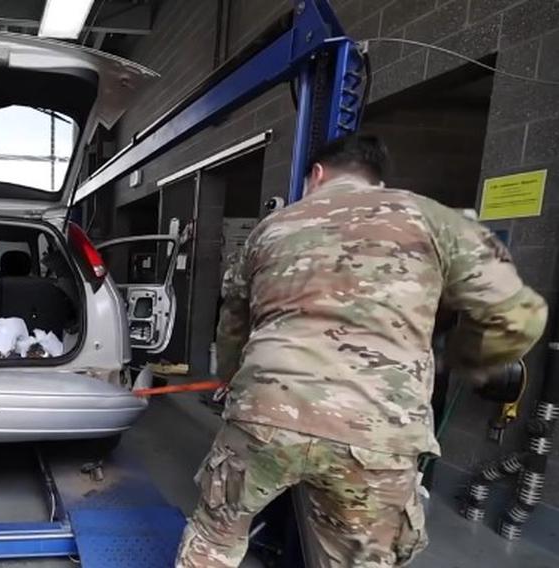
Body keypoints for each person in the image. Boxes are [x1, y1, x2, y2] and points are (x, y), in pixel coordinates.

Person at [175, 135, 548, 567]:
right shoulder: (432, 218)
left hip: (266, 417)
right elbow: (520, 317)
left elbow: (233, 324)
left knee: (213, 540)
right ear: (376, 178)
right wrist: (458, 360)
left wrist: (235, 384)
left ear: (316, 175)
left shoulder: (272, 228)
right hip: (379, 430)